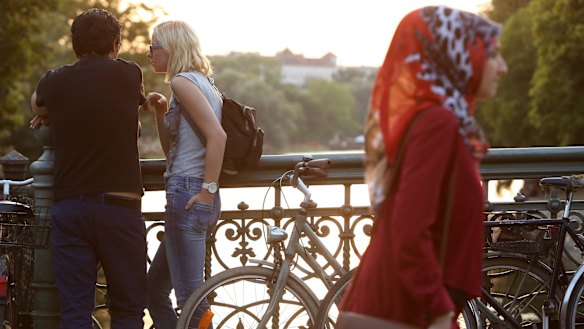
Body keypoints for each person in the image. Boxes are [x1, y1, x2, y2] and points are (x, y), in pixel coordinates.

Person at [339, 6, 508, 329]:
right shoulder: (438, 123)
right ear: (459, 54)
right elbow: (409, 226)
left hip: (409, 310)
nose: (503, 68)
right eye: (494, 54)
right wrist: (439, 309)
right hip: (399, 313)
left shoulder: (442, 119)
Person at [30, 8, 147, 329]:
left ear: (75, 44)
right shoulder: (129, 74)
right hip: (120, 210)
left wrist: (48, 112)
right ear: (115, 43)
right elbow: (134, 108)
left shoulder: (54, 80)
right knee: (127, 309)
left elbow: (37, 103)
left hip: (71, 208)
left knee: (75, 313)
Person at [143, 20, 226, 329]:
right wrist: (161, 111)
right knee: (154, 290)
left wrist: (208, 190)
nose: (149, 53)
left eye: (153, 46)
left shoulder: (182, 81)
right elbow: (175, 153)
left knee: (191, 299)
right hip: (191, 192)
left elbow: (218, 137)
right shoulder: (204, 82)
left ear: (171, 48)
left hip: (189, 194)